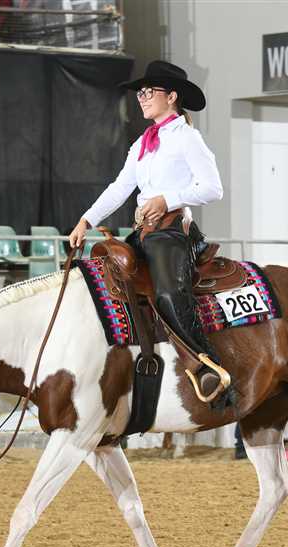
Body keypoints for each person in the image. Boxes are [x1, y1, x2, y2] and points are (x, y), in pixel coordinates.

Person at [68, 61, 229, 404]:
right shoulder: (143, 142)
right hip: (143, 232)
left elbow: (213, 188)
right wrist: (86, 220)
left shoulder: (188, 138)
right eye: (139, 92)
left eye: (148, 91)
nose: (141, 97)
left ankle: (208, 368)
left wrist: (168, 199)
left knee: (169, 293)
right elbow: (119, 187)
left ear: (171, 97)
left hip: (172, 232)